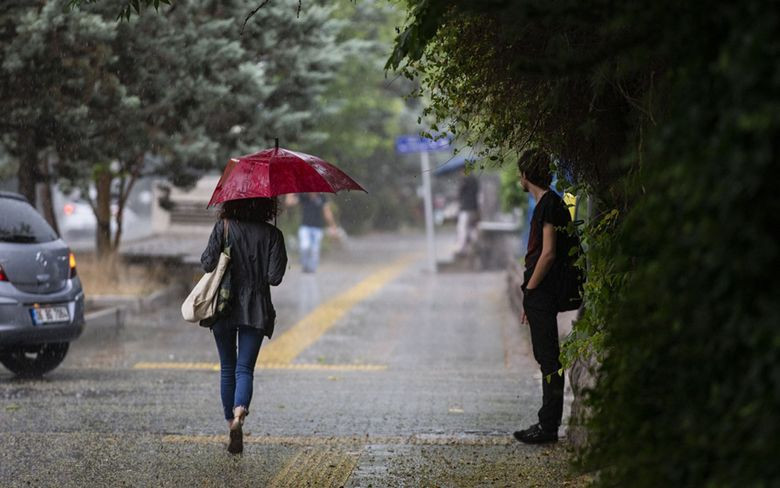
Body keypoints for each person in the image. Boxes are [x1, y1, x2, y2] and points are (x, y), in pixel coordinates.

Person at [201, 197, 287, 454]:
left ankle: (230, 423)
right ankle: (240, 413)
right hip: (256, 308)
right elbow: (275, 278)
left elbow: (207, 263)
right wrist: (274, 245)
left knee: (228, 367)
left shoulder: (223, 227)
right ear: (266, 206)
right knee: (244, 369)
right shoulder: (273, 234)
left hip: (223, 305)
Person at [513, 149, 573, 444]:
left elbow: (547, 254)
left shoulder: (549, 205)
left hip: (543, 291)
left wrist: (530, 289)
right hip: (541, 294)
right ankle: (547, 422)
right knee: (546, 357)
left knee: (549, 359)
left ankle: (548, 426)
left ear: (526, 175)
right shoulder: (549, 204)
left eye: (520, 173)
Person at [287, 193, 338, 273]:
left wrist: (332, 225)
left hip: (317, 228)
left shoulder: (322, 197)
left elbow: (327, 212)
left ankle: (312, 268)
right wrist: (290, 193)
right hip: (305, 227)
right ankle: (305, 265)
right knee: (305, 247)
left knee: (315, 250)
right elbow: (289, 203)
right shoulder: (303, 196)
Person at [455, 174, 480, 255]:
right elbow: (478, 193)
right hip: (474, 208)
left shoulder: (464, 180)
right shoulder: (475, 179)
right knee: (472, 228)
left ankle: (462, 248)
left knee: (462, 228)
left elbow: (459, 193)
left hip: (465, 208)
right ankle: (475, 245)